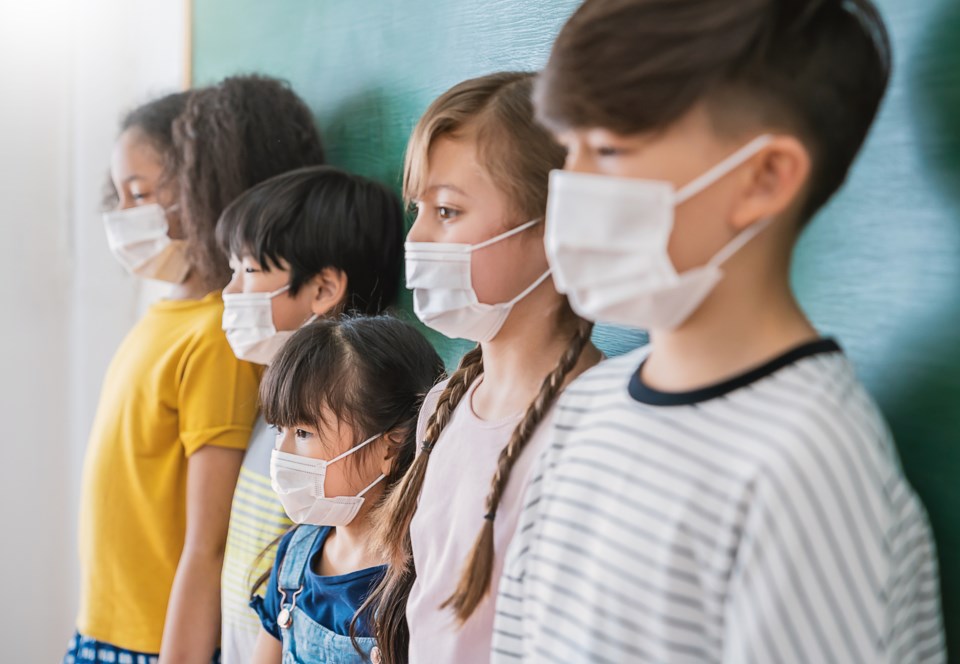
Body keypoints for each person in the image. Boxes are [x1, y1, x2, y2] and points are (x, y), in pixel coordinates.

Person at [492, 1, 946, 662]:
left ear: (764, 178)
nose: (570, 186)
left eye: (611, 149)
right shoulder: (586, 407)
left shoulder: (804, 467)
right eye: (570, 147)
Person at [67, 75, 324, 664]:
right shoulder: (164, 317)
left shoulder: (216, 336)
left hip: (154, 641)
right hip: (104, 626)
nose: (126, 213)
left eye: (144, 191)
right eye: (120, 194)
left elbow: (205, 543)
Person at [368, 72, 602, 664]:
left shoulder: (597, 429)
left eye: (447, 210)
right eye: (418, 208)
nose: (417, 235)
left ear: (554, 228)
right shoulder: (445, 407)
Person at [216, 164, 404, 664]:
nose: (229, 292)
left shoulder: (339, 453)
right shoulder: (274, 407)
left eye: (249, 271)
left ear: (323, 289)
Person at [249, 316, 444, 664]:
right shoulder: (294, 555)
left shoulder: (419, 586)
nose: (282, 454)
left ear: (389, 447)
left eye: (304, 433)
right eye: (280, 429)